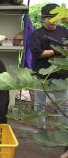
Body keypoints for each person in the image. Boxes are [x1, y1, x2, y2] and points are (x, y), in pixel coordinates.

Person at [30, 4, 68, 158]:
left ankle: (64, 134)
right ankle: (42, 131)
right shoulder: (37, 35)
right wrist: (58, 51)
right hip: (42, 76)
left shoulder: (64, 31)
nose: (53, 21)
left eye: (55, 18)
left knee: (65, 106)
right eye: (49, 18)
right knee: (39, 104)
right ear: (43, 18)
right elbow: (37, 53)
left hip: (61, 76)